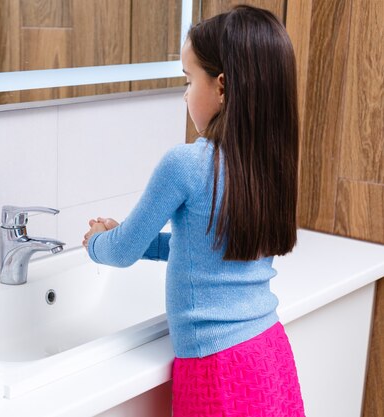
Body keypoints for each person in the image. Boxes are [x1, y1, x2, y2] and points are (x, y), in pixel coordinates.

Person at [82, 5, 305, 417]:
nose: (185, 94)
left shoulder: (185, 164)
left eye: (189, 79)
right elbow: (205, 248)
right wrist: (149, 244)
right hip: (270, 356)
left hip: (217, 371)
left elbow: (121, 250)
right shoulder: (267, 167)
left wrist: (97, 242)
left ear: (221, 87)